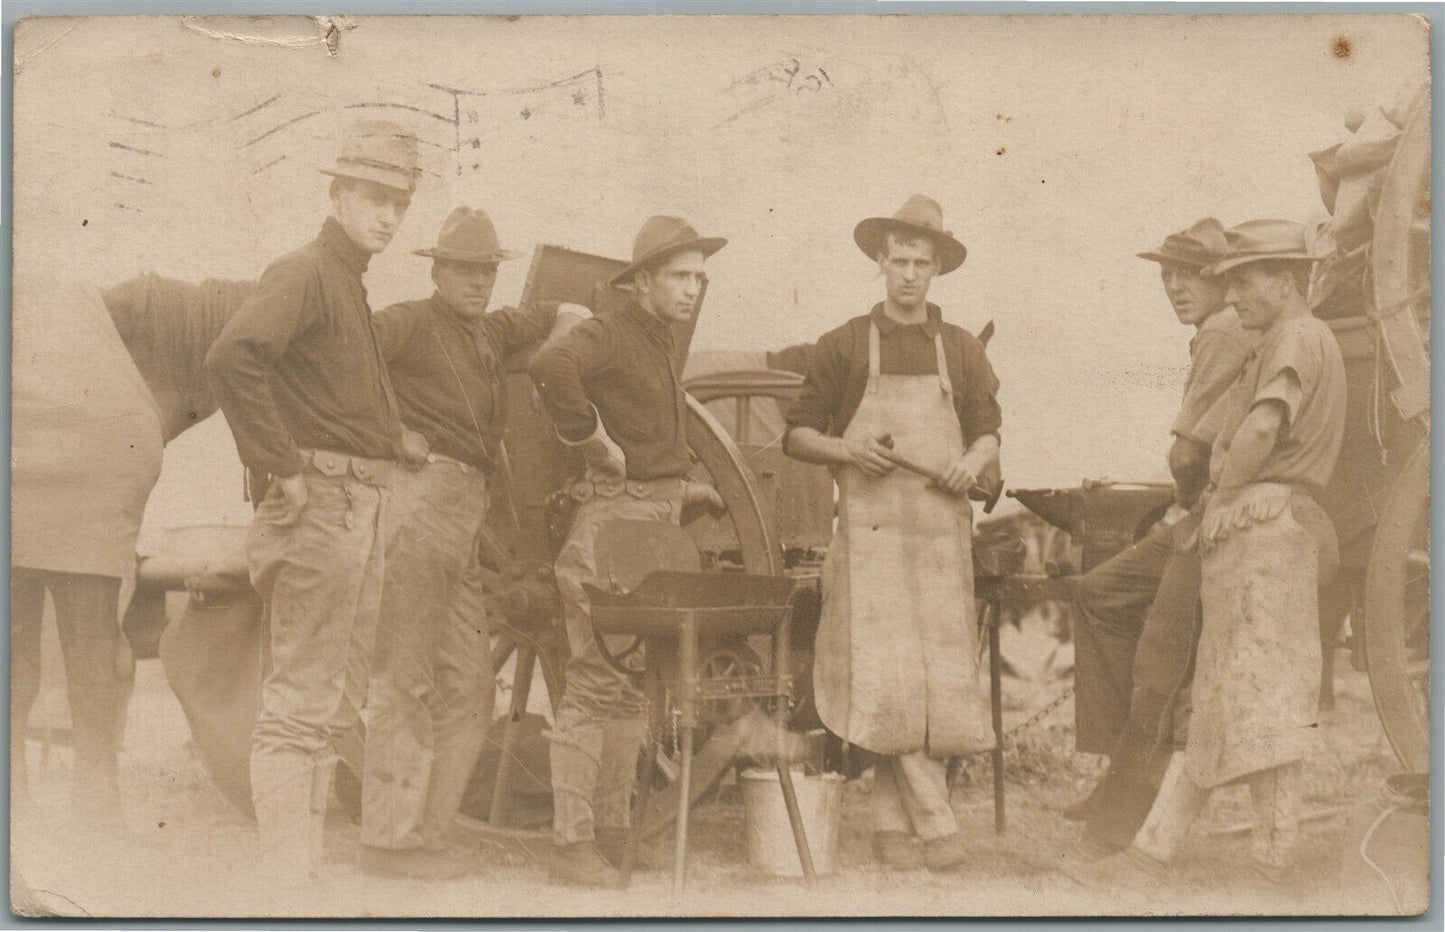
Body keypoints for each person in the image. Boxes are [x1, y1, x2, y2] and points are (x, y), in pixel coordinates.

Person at [1070, 219, 1345, 888]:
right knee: (1233, 698)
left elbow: (1259, 425)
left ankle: (1224, 858)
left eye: (1242, 282)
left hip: (1264, 525)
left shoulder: (1296, 337)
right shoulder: (1291, 336)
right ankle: (1173, 853)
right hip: (1265, 527)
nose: (1233, 295)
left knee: (1252, 701)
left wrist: (1218, 496)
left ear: (1282, 279)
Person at [205, 120, 425, 881]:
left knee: (333, 702)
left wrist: (395, 435)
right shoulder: (303, 271)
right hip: (324, 505)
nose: (388, 215)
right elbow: (232, 357)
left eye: (399, 201)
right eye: (372, 197)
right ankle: (283, 886)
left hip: (359, 505)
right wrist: (281, 466)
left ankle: (300, 879)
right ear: (337, 195)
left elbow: (333, 392)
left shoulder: (347, 283)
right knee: (302, 702)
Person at [359, 207, 580, 878]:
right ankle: (385, 842)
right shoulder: (406, 321)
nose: (477, 281)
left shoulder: (487, 331)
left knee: (471, 686)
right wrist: (392, 435)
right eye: (463, 269)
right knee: (405, 680)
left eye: (486, 271)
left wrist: (570, 331)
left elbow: (552, 313)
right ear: (437, 269)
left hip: (468, 516)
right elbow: (339, 359)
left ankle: (426, 833)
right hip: (420, 503)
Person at [783, 195, 1001, 871]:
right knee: (885, 679)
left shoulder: (960, 349)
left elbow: (988, 431)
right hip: (872, 540)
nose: (908, 274)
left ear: (937, 270)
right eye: (897, 261)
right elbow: (796, 434)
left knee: (932, 685)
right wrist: (848, 452)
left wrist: (970, 461)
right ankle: (934, 823)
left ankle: (886, 823)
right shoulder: (843, 344)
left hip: (937, 537)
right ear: (879, 262)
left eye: (921, 264)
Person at [529, 215, 727, 886]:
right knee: (592, 683)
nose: (691, 289)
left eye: (698, 277)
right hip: (613, 523)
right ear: (640, 281)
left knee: (630, 688)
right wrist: (591, 439)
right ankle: (569, 843)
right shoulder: (611, 330)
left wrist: (685, 490)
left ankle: (611, 830)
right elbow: (549, 362)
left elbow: (651, 437)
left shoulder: (656, 341)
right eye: (679, 276)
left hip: (652, 524)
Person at [1064, 219, 1255, 857]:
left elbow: (1189, 452)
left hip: (1209, 518)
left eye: (1189, 275)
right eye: (1166, 275)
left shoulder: (1223, 333)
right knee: (1106, 596)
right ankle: (1122, 764)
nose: (1175, 287)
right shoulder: (1223, 331)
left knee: (1104, 597)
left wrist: (1179, 507)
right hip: (1207, 505)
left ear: (1221, 280)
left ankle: (1124, 771)